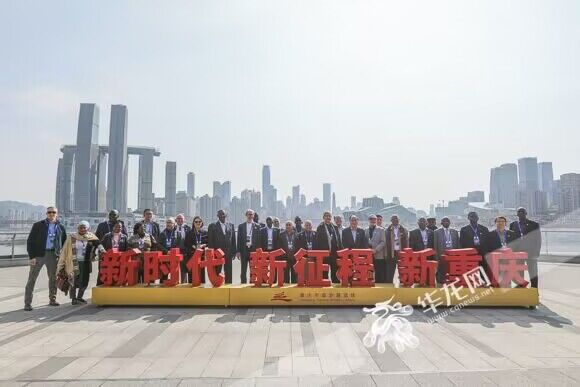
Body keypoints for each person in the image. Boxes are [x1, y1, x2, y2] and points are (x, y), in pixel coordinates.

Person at [24, 206, 67, 311]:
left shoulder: (60, 226)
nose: (51, 214)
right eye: (49, 212)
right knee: (32, 279)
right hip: (39, 255)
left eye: (53, 212)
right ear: (46, 214)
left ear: (57, 214)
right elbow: (30, 241)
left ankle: (52, 299)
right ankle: (27, 303)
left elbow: (65, 242)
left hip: (53, 255)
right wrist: (32, 257)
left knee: (53, 278)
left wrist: (62, 256)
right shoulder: (38, 225)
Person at [57, 221, 102, 305]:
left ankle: (80, 297)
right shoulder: (72, 237)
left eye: (84, 227)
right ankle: (73, 299)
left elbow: (98, 244)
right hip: (74, 263)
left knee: (84, 280)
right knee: (73, 280)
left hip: (85, 263)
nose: (82, 229)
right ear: (78, 228)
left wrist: (102, 250)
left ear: (87, 228)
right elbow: (65, 251)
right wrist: (61, 264)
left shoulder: (91, 237)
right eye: (80, 227)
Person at [510, 207, 541, 288]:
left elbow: (538, 239)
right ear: (517, 214)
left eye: (522, 212)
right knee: (519, 272)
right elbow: (511, 240)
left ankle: (534, 290)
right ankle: (522, 289)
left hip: (531, 253)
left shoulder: (534, 224)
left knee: (533, 273)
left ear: (526, 213)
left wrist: (537, 252)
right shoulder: (513, 225)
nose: (520, 213)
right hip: (518, 253)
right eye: (519, 212)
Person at [207, 210, 237, 284]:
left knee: (229, 271)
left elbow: (233, 240)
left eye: (223, 214)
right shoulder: (212, 226)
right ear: (217, 216)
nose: (222, 216)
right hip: (217, 253)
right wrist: (212, 253)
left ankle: (228, 285)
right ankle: (217, 285)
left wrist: (234, 252)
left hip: (228, 253)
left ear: (226, 215)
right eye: (220, 214)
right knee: (217, 271)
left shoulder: (231, 225)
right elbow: (210, 241)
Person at [315, 212, 342, 283]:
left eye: (329, 216)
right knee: (324, 272)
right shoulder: (320, 227)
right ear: (323, 217)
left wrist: (340, 253)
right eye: (326, 216)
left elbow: (339, 241)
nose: (328, 218)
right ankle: (325, 286)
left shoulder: (334, 227)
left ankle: (335, 285)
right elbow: (317, 242)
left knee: (335, 271)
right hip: (324, 254)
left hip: (334, 253)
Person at [236, 209, 262, 283]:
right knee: (243, 269)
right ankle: (243, 284)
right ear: (246, 215)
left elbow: (259, 240)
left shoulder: (257, 226)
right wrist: (238, 251)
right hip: (244, 250)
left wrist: (259, 252)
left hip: (253, 251)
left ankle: (252, 283)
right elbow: (239, 239)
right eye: (249, 214)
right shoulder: (241, 226)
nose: (250, 216)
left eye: (251, 214)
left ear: (253, 216)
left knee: (253, 269)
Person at [434, 217, 460, 284]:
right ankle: (440, 281)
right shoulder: (437, 232)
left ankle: (452, 280)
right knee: (441, 268)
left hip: (453, 254)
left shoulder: (455, 232)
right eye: (444, 221)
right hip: (442, 254)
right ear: (441, 223)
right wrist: (436, 256)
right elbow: (435, 245)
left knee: (452, 267)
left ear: (450, 222)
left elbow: (457, 244)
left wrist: (458, 255)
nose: (446, 222)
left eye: (447, 221)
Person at [385, 215, 409, 284]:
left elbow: (407, 243)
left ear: (399, 220)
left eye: (397, 219)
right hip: (391, 254)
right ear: (391, 221)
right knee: (390, 272)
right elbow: (385, 244)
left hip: (401, 254)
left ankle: (402, 285)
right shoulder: (387, 230)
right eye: (393, 219)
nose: (395, 220)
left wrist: (406, 254)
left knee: (402, 272)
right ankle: (389, 287)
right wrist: (386, 254)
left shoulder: (404, 230)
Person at [184, 216, 208, 283]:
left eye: (199, 221)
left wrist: (203, 245)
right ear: (193, 223)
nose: (198, 223)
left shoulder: (205, 232)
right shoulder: (189, 233)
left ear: (202, 223)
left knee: (201, 272)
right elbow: (186, 243)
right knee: (191, 273)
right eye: (196, 222)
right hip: (192, 255)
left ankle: (202, 288)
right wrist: (194, 246)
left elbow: (208, 242)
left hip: (202, 256)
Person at [366, 214, 387, 283]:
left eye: (374, 219)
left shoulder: (381, 230)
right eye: (371, 219)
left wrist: (375, 250)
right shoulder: (365, 230)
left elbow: (383, 242)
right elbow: (364, 242)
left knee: (379, 272)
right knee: (369, 272)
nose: (373, 220)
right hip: (368, 255)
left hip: (378, 254)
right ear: (369, 220)